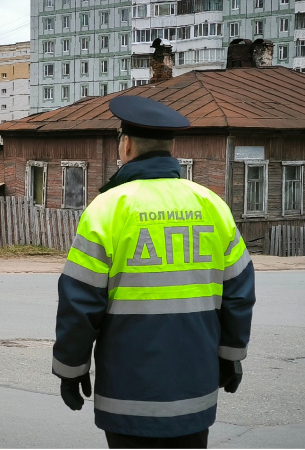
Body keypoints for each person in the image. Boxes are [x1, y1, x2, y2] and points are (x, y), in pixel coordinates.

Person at [52, 96, 256, 449]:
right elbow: (239, 293)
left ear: (126, 144)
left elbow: (80, 304)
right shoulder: (211, 205)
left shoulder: (107, 209)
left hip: (129, 396)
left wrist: (71, 370)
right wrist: (230, 356)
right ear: (169, 149)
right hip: (195, 389)